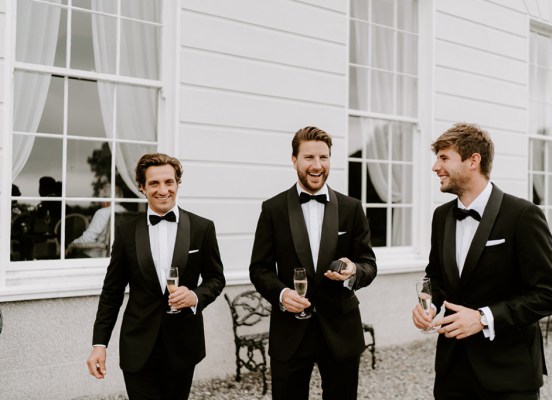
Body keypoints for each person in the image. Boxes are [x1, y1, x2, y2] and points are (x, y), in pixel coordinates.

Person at [412, 122, 552, 399]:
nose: (435, 167)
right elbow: (436, 276)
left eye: (444, 158)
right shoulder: (441, 216)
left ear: (473, 161)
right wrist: (429, 305)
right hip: (452, 372)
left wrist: (484, 318)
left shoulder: (523, 215)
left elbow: (549, 294)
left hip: (509, 373)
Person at [249, 126, 377, 400]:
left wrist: (354, 272)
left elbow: (369, 263)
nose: (317, 166)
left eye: (324, 157)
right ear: (294, 160)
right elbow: (259, 268)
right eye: (309, 158)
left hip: (341, 331)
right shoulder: (273, 209)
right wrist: (282, 294)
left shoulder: (352, 208)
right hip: (290, 333)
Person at [86, 153, 226, 400]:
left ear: (177, 184)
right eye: (154, 183)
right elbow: (112, 291)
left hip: (183, 345)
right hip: (137, 345)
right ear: (142, 187)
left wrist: (195, 296)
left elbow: (216, 278)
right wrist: (100, 344)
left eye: (169, 182)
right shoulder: (127, 231)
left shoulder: (203, 228)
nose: (163, 190)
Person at [67, 184, 127, 258]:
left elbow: (88, 238)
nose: (100, 202)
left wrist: (71, 245)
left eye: (101, 199)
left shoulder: (102, 212)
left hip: (96, 257)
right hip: (117, 257)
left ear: (107, 199)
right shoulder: (126, 213)